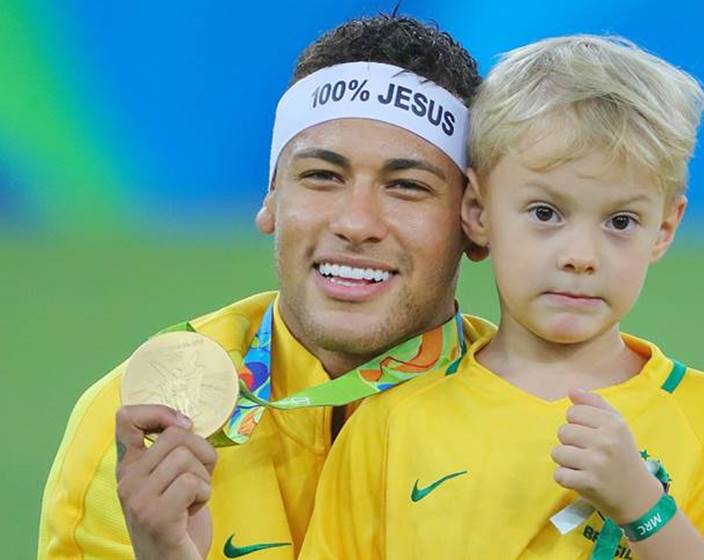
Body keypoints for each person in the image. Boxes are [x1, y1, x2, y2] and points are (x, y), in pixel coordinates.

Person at [300, 35, 704, 559]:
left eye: (621, 221)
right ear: (478, 211)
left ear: (664, 229)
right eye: (545, 213)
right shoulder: (393, 418)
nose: (581, 256)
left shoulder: (699, 411)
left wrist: (644, 508)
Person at [37, 14, 493, 560]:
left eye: (407, 186)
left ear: (474, 221)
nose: (356, 223)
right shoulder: (140, 422)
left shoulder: (543, 428)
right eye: (322, 176)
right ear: (271, 199)